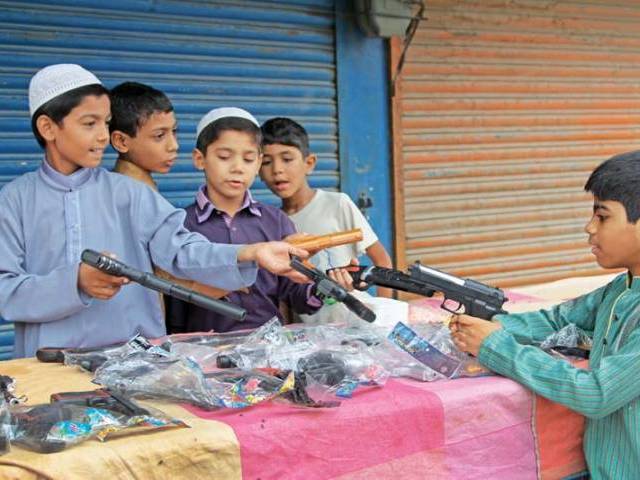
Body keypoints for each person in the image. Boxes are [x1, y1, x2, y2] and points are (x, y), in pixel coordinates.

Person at [0, 64, 307, 358]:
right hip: (47, 366)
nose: (103, 136)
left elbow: (183, 251)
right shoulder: (14, 200)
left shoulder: (130, 193)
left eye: (106, 123)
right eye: (89, 123)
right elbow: (5, 290)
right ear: (47, 127)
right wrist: (76, 282)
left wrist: (249, 253)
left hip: (132, 362)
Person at [449, 150, 640, 478]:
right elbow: (558, 319)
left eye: (603, 216)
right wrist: (484, 326)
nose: (589, 227)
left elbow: (596, 393)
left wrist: (496, 346)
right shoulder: (621, 288)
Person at [171, 107, 322, 333]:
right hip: (205, 354)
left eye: (249, 159)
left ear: (259, 162)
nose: (238, 168)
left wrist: (326, 289)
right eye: (224, 157)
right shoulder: (180, 224)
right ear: (199, 159)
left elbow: (297, 296)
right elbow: (174, 307)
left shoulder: (276, 221)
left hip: (268, 352)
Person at [259, 117, 393, 323]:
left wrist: (385, 316)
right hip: (311, 336)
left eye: (287, 159)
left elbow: (381, 261)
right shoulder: (271, 224)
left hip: (356, 322)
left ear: (309, 163)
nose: (277, 169)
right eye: (267, 162)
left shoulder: (337, 204)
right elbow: (282, 294)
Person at [109, 81, 178, 189]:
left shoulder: (139, 188)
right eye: (159, 135)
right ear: (121, 141)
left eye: (174, 131)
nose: (174, 146)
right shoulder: (127, 197)